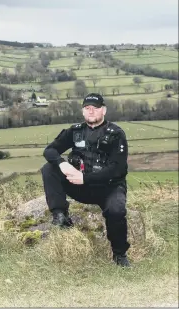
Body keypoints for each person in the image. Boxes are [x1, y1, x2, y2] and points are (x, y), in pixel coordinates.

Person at [41, 93, 131, 267]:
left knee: (116, 211)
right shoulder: (75, 132)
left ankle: (120, 255)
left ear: (103, 110)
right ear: (83, 112)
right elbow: (49, 151)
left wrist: (85, 178)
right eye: (87, 108)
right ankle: (60, 215)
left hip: (108, 188)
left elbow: (117, 169)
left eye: (95, 108)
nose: (91, 111)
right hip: (79, 186)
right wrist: (62, 164)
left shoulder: (116, 134)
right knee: (49, 168)